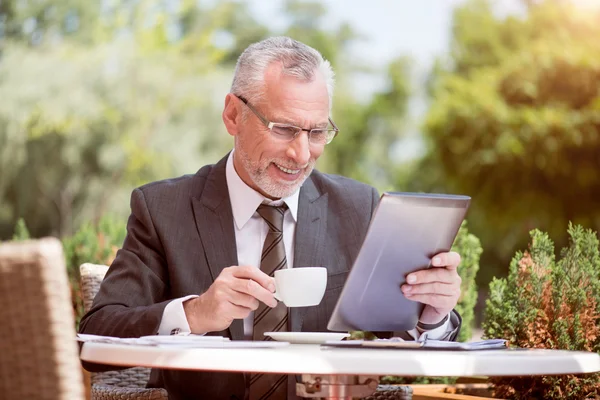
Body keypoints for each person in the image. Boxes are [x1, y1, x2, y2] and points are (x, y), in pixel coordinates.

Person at [79, 36, 463, 400]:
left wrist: (431, 314)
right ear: (233, 115)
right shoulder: (163, 208)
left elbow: (404, 335)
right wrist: (196, 313)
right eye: (284, 129)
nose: (300, 154)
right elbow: (97, 338)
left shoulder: (356, 207)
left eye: (316, 132)